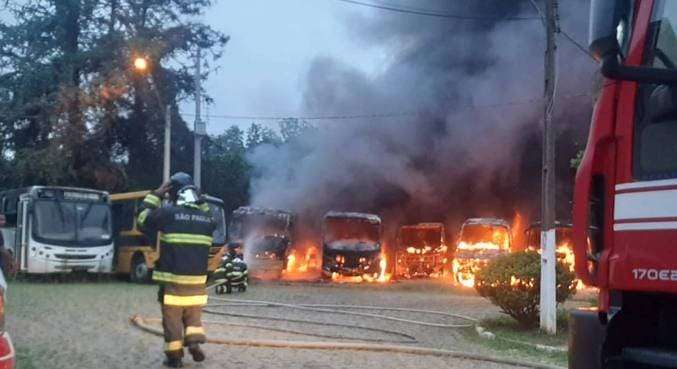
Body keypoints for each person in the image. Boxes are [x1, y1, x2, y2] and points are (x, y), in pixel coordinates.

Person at [136, 172, 216, 368]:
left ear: (172, 193)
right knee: (193, 317)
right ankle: (194, 342)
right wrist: (200, 199)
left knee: (172, 320)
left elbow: (142, 220)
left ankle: (175, 358)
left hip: (173, 282)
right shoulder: (207, 220)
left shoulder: (168, 214)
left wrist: (155, 194)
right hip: (197, 283)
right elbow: (210, 216)